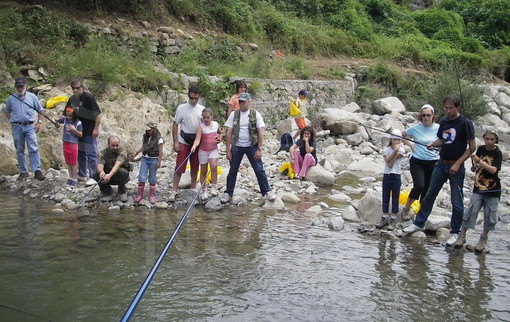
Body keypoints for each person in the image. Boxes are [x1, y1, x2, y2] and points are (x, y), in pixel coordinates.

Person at [403, 95, 476, 247]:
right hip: (440, 164)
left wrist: (457, 164)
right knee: (429, 195)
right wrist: (433, 144)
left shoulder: (466, 123)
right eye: (446, 108)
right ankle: (419, 223)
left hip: (456, 167)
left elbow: (472, 148)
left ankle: (455, 232)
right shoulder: (444, 122)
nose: (448, 111)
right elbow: (442, 140)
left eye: (451, 108)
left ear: (458, 107)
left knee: (456, 201)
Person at [221, 93, 276, 204]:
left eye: (243, 101)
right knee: (232, 171)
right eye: (240, 101)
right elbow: (228, 133)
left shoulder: (256, 115)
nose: (241, 104)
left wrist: (259, 148)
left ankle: (267, 191)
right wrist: (227, 150)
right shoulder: (233, 115)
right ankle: (228, 193)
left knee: (259, 170)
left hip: (252, 146)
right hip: (236, 146)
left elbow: (260, 132)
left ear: (249, 102)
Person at [454, 131, 502, 251]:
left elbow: (493, 170)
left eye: (492, 139)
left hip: (492, 190)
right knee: (471, 211)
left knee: (489, 215)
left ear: (496, 140)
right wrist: (475, 166)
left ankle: (483, 238)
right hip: (478, 187)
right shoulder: (480, 149)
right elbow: (477, 166)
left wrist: (479, 161)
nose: (489, 141)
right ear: (484, 139)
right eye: (487, 139)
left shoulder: (497, 153)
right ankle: (462, 235)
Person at [400, 104, 440, 220]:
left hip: (433, 161)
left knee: (427, 189)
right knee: (419, 186)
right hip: (417, 161)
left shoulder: (439, 128)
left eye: (428, 115)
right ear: (420, 117)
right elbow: (400, 135)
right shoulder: (415, 128)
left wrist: (437, 147)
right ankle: (406, 208)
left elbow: (444, 140)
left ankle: (421, 214)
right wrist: (410, 145)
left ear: (433, 116)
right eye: (423, 115)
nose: (426, 117)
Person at [3, 77, 45, 181]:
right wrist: (13, 120)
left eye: (22, 86)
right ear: (15, 87)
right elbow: (7, 111)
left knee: (33, 148)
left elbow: (40, 110)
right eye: (18, 86)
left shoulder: (32, 97)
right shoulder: (10, 99)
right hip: (17, 126)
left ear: (25, 86)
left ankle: (37, 170)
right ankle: (23, 172)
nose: (20, 88)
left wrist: (39, 123)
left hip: (30, 126)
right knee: (19, 149)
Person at [65, 79, 102, 185]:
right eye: (73, 88)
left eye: (77, 88)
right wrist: (59, 121)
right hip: (77, 131)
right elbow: (66, 114)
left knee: (91, 154)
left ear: (82, 88)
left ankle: (93, 175)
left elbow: (98, 115)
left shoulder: (88, 98)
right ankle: (81, 174)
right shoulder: (71, 99)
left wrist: (96, 129)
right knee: (80, 153)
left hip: (89, 130)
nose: (75, 90)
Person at [171, 86, 205, 196]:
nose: (194, 101)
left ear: (199, 97)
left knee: (195, 166)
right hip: (184, 139)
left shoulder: (202, 109)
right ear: (188, 96)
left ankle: (193, 187)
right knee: (180, 165)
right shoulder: (181, 108)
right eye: (192, 98)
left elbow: (206, 125)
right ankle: (174, 189)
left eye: (196, 99)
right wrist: (175, 141)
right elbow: (175, 124)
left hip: (197, 139)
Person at [191, 108, 223, 200]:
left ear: (212, 117)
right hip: (203, 151)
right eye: (204, 117)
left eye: (208, 117)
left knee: (213, 166)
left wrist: (219, 139)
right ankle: (204, 190)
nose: (206, 119)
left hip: (213, 149)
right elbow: (197, 139)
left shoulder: (216, 125)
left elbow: (220, 133)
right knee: (203, 171)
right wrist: (194, 146)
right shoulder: (201, 127)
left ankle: (213, 187)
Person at [376, 129, 405, 230]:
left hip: (396, 175)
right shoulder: (386, 150)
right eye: (394, 139)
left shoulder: (402, 150)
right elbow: (388, 162)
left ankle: (393, 218)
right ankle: (384, 217)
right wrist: (395, 152)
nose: (396, 142)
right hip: (387, 175)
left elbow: (391, 161)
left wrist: (395, 152)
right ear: (391, 139)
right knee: (385, 196)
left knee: (395, 197)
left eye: (398, 140)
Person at [129, 121, 163, 204]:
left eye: (150, 130)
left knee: (152, 177)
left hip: (153, 159)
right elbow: (144, 146)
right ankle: (139, 195)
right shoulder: (146, 137)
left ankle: (152, 195)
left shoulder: (159, 139)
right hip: (145, 159)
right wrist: (136, 152)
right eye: (147, 130)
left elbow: (161, 151)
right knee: (142, 176)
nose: (148, 132)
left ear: (154, 130)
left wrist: (159, 161)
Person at [93, 135, 132, 202]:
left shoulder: (123, 152)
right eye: (113, 145)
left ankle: (122, 191)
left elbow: (117, 164)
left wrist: (109, 175)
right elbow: (100, 164)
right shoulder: (102, 153)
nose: (115, 147)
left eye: (117, 145)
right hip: (107, 176)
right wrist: (101, 172)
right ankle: (106, 191)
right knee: (95, 173)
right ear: (108, 145)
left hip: (120, 176)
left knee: (122, 171)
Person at [55, 107, 83, 186]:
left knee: (73, 162)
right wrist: (55, 122)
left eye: (70, 116)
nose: (68, 117)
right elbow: (57, 120)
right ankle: (70, 177)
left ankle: (74, 178)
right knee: (68, 161)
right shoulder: (65, 120)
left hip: (73, 144)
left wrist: (74, 130)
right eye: (67, 115)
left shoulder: (78, 123)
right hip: (65, 143)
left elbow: (80, 134)